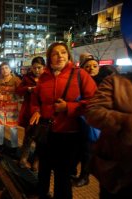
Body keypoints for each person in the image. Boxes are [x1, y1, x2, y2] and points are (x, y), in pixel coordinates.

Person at [30, 42, 97, 199]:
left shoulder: (80, 74)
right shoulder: (44, 77)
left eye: (63, 52)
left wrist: (69, 107)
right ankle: (42, 193)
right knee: (44, 169)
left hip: (69, 134)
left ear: (68, 56)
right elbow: (35, 98)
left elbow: (94, 101)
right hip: (46, 131)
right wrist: (36, 111)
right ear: (49, 58)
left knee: (62, 175)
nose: (59, 56)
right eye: (55, 53)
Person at [85, 34, 132, 199]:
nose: (91, 69)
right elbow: (93, 110)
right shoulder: (116, 82)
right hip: (119, 174)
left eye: (94, 66)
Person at [72, 55, 116, 187]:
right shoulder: (78, 82)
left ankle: (84, 176)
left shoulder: (105, 83)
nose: (91, 68)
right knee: (77, 148)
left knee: (87, 150)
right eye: (87, 66)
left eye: (94, 66)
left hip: (94, 123)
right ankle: (73, 171)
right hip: (78, 120)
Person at [16, 56, 46, 171]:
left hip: (43, 113)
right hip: (29, 111)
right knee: (28, 136)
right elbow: (18, 90)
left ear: (44, 67)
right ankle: (23, 158)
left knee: (40, 140)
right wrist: (28, 89)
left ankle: (36, 162)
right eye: (34, 68)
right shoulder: (27, 78)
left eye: (39, 68)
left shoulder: (48, 78)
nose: (37, 70)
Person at [0, 62, 21, 154]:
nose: (4, 70)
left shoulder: (16, 80)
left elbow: (20, 95)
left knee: (13, 129)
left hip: (11, 109)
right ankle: (0, 144)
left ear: (10, 69)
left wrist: (5, 97)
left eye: (6, 68)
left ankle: (14, 148)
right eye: (2, 68)